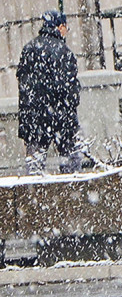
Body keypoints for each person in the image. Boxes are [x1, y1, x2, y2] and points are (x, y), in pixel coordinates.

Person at [17, 10, 81, 174]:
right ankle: (70, 194)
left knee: (34, 168)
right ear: (60, 27)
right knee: (71, 165)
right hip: (61, 117)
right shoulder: (63, 51)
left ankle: (35, 196)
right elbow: (70, 90)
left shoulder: (29, 49)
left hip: (34, 117)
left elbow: (24, 85)